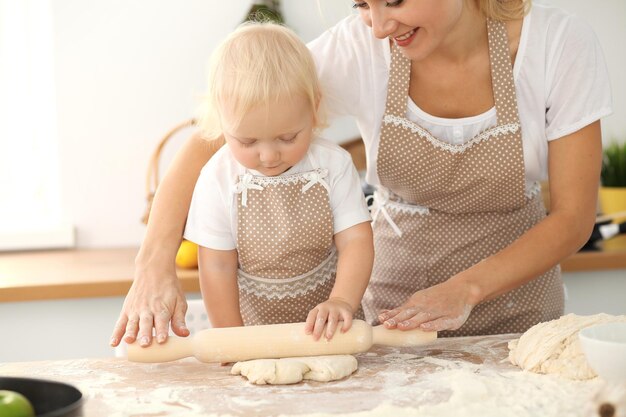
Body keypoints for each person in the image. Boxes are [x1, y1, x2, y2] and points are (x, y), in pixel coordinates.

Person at [111, 0, 612, 347]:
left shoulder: (557, 45)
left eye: (392, 2)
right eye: (361, 5)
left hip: (518, 314)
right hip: (393, 320)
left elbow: (572, 218)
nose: (377, 26)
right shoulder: (360, 48)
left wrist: (467, 289)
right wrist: (153, 264)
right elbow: (214, 133)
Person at [124, 22, 374, 347]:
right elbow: (216, 265)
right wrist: (233, 339)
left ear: (313, 108)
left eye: (288, 137)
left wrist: (342, 301)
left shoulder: (333, 164)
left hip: (332, 333)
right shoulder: (217, 178)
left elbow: (356, 240)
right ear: (221, 123)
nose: (268, 155)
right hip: (253, 331)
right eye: (247, 140)